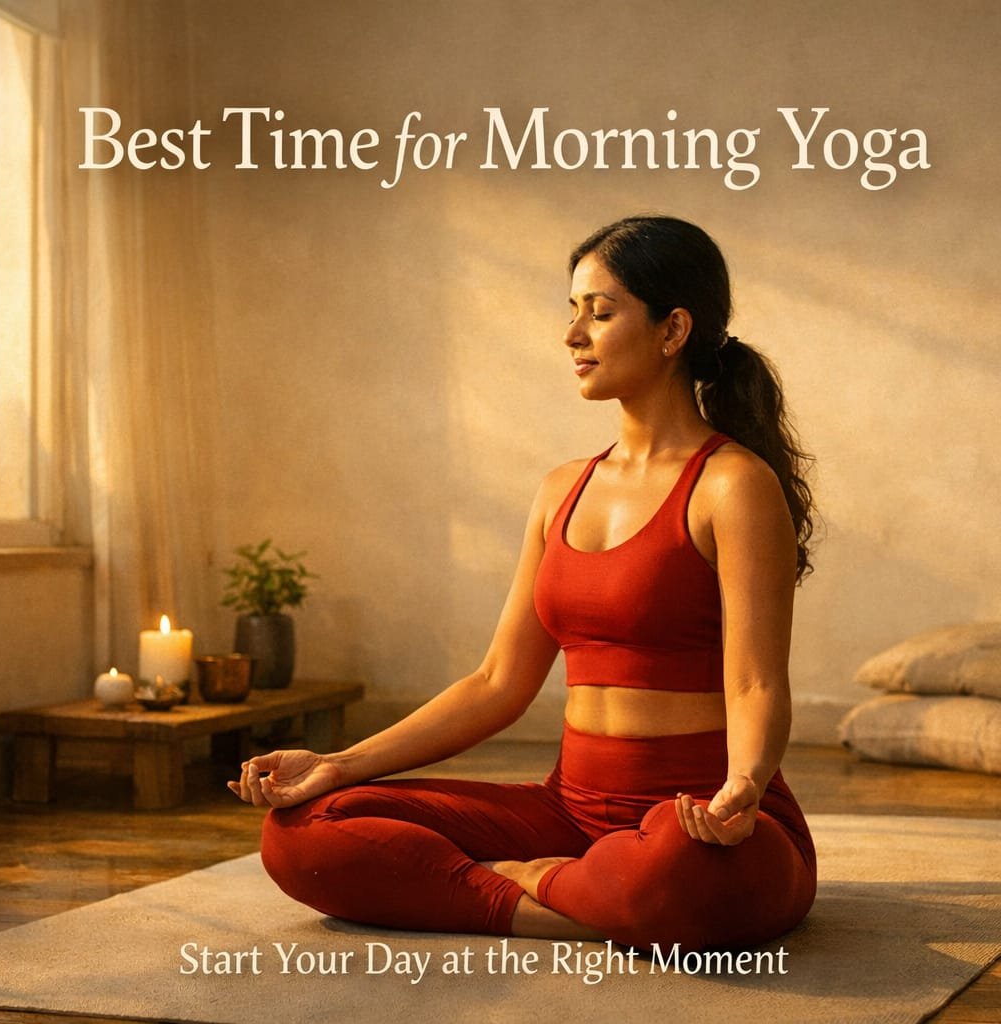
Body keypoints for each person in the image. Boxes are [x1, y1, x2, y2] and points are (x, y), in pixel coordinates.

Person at [229, 215, 818, 951]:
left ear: (672, 331)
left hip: (695, 816)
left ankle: (526, 885)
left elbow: (758, 685)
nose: (572, 335)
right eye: (571, 311)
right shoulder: (561, 489)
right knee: (304, 829)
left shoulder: (732, 486)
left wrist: (745, 788)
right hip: (567, 813)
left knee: (680, 868)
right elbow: (498, 681)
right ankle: (561, 896)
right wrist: (336, 764)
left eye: (599, 314)